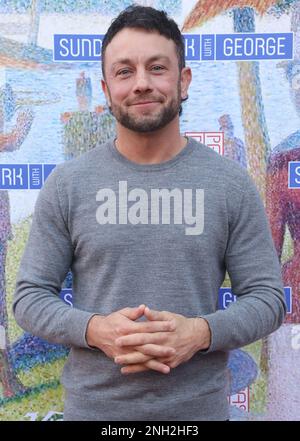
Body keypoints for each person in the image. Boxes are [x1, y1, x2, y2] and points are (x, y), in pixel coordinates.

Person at [13, 5, 286, 421]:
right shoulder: (67, 185)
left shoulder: (230, 184)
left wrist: (200, 333)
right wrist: (95, 330)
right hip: (94, 414)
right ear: (106, 91)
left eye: (157, 68)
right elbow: (29, 298)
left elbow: (267, 299)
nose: (141, 83)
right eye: (125, 72)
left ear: (184, 81)